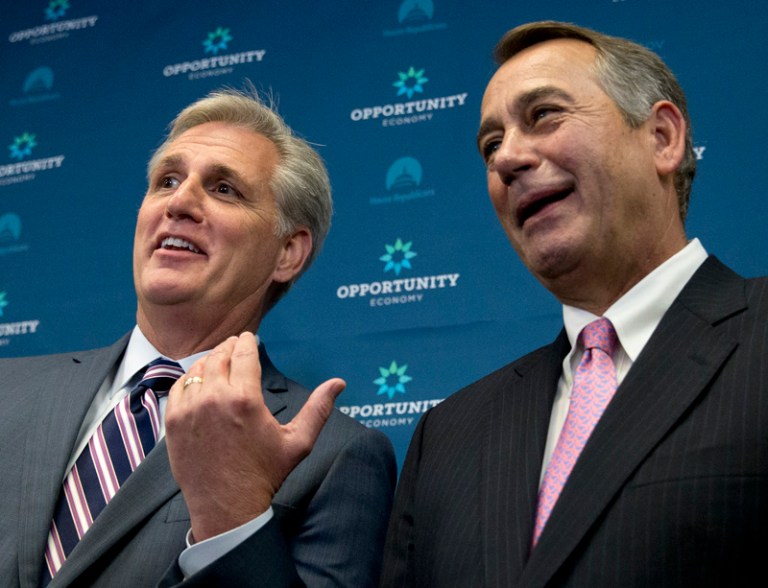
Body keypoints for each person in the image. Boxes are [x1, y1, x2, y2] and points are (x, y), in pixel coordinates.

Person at [381, 20, 768, 587]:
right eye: (491, 145)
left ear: (662, 137)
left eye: (543, 115)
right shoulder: (447, 435)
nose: (507, 158)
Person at [0, 88, 396, 587]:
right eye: (166, 180)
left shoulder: (335, 455)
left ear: (287, 253)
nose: (180, 201)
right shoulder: (6, 391)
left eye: (224, 189)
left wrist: (232, 512)